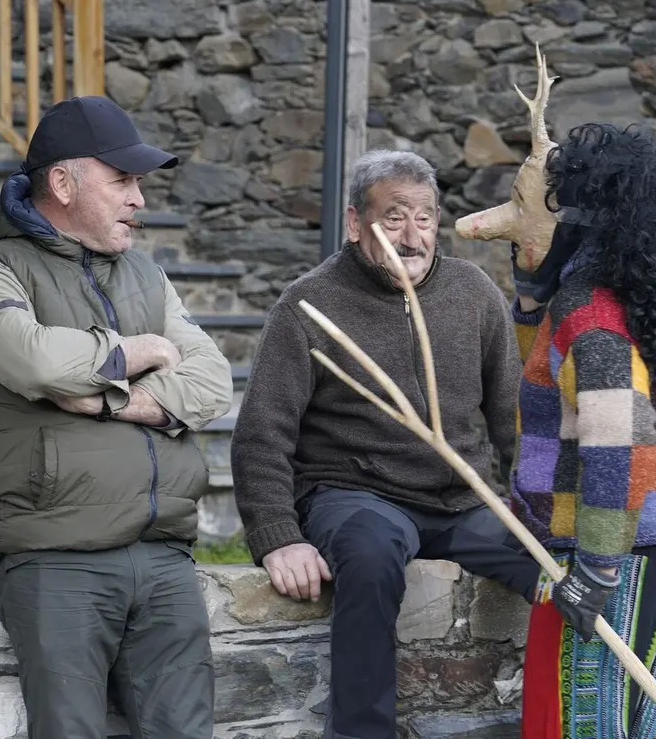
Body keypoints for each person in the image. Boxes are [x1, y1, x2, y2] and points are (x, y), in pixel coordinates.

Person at [456, 48, 656, 739]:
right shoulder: (629, 291)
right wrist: (531, 288)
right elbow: (547, 378)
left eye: (523, 208)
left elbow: (621, 440)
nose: (502, 220)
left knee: (600, 723)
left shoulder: (596, 314)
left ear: (574, 219)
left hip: (627, 561)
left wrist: (599, 567)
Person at [0, 96, 233, 739]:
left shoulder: (147, 277)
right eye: (123, 180)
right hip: (58, 561)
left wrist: (108, 393)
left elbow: (212, 379)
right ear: (63, 183)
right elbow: (40, 362)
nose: (139, 199)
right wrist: (143, 351)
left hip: (164, 557)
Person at [231, 149, 542, 739]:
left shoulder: (473, 292)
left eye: (424, 218)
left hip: (463, 497)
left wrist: (545, 511)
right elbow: (262, 431)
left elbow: (513, 417)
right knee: (371, 557)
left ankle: (565, 719)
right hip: (356, 493)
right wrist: (276, 535)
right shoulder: (309, 304)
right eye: (394, 217)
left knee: (554, 567)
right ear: (355, 224)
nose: (412, 234)